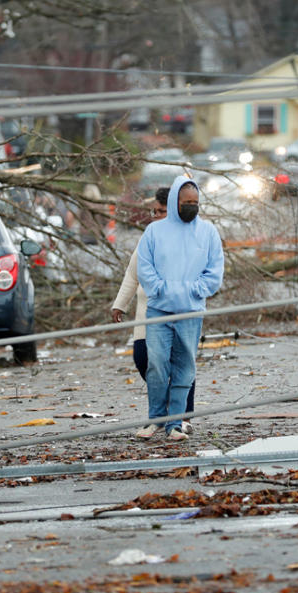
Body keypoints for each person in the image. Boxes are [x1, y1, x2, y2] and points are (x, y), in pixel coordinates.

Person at [135, 174, 224, 441]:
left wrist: (194, 292)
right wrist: (162, 290)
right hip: (159, 310)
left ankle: (175, 423)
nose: (191, 206)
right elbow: (144, 268)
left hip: (191, 311)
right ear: (175, 201)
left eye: (195, 202)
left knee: (185, 366)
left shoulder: (208, 232)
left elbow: (214, 271)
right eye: (186, 201)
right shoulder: (154, 231)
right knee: (157, 365)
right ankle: (156, 420)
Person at [110, 188, 195, 432]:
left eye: (161, 211)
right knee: (143, 358)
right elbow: (132, 272)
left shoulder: (188, 237)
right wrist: (120, 304)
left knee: (181, 364)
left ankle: (182, 418)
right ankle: (165, 411)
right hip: (146, 314)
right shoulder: (149, 237)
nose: (156, 215)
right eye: (154, 211)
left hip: (178, 313)